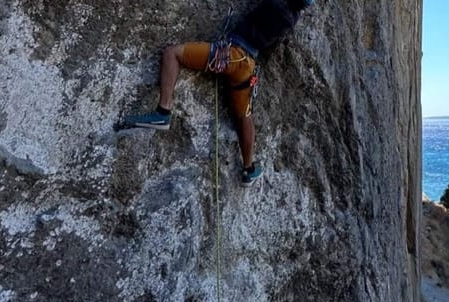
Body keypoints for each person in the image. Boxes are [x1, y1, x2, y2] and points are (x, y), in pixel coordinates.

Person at [124, 0, 313, 187]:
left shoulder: (276, 5)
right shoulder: (292, 18)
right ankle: (249, 168)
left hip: (232, 55)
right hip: (247, 66)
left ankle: (163, 112)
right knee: (244, 116)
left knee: (172, 54)